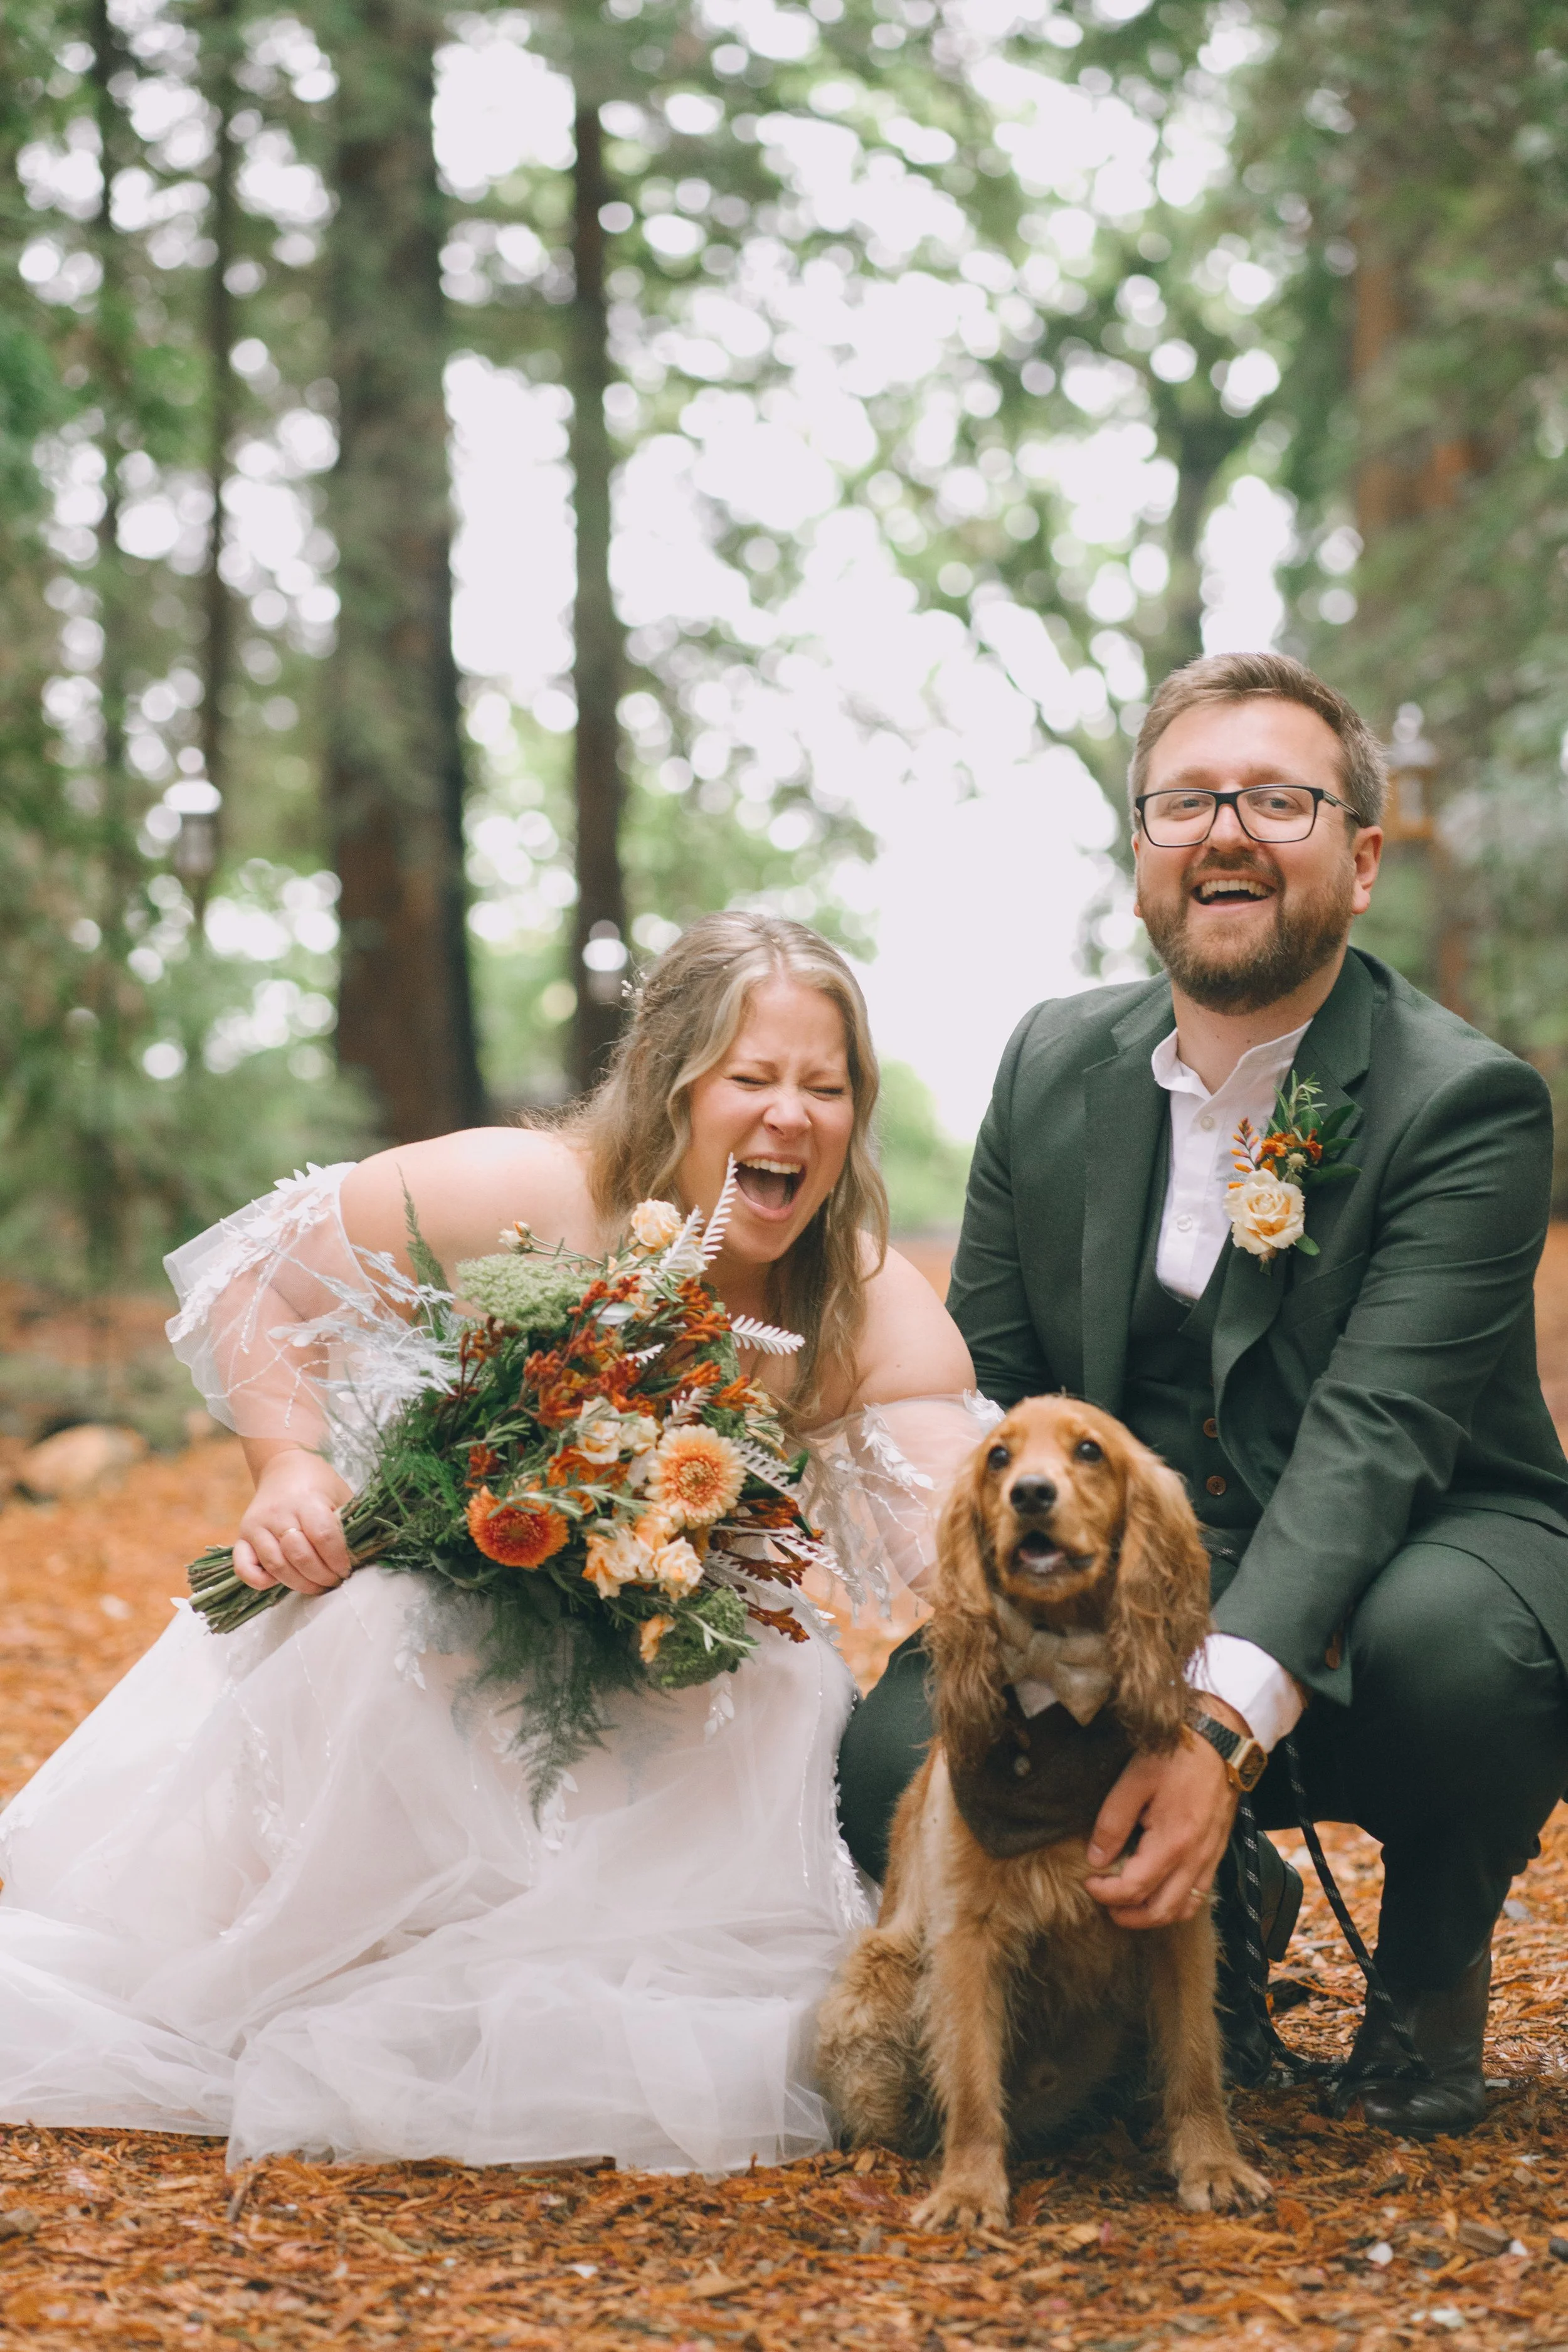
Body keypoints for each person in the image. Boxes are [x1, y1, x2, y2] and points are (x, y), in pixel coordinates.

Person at [0, 913, 987, 2173]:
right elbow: (255, 1272)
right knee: (390, 1621)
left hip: (664, 1671)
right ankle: (344, 1956)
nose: (789, 1116)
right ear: (671, 1085)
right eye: (752, 1079)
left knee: (792, 1680)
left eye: (824, 1086)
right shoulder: (529, 1189)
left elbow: (957, 1530)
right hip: (438, 1615)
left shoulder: (855, 1304)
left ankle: (596, 1972)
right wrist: (288, 1463)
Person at [840, 652, 1568, 2137]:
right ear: (1140, 860)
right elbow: (989, 1386)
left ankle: (1425, 1985)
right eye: (1184, 801)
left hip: (1412, 1551)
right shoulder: (1051, 1062)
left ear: (1359, 862)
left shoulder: (1465, 1103)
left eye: (1277, 799)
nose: (1223, 830)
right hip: (1125, 1574)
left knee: (1456, 1651)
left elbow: (1375, 1438)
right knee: (885, 1760)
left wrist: (1209, 1735)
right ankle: (1208, 1924)